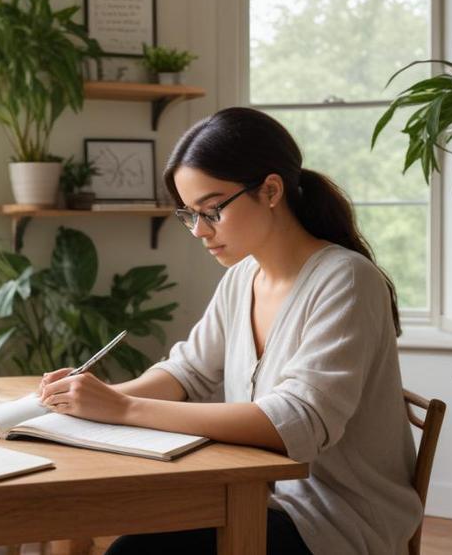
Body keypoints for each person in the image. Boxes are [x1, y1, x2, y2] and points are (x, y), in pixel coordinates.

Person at [38, 107, 422, 554]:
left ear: (271, 190)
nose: (199, 231)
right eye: (189, 215)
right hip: (256, 494)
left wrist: (122, 408)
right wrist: (96, 396)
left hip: (337, 522)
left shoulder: (347, 280)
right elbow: (188, 372)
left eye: (212, 210)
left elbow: (297, 423)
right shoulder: (244, 278)